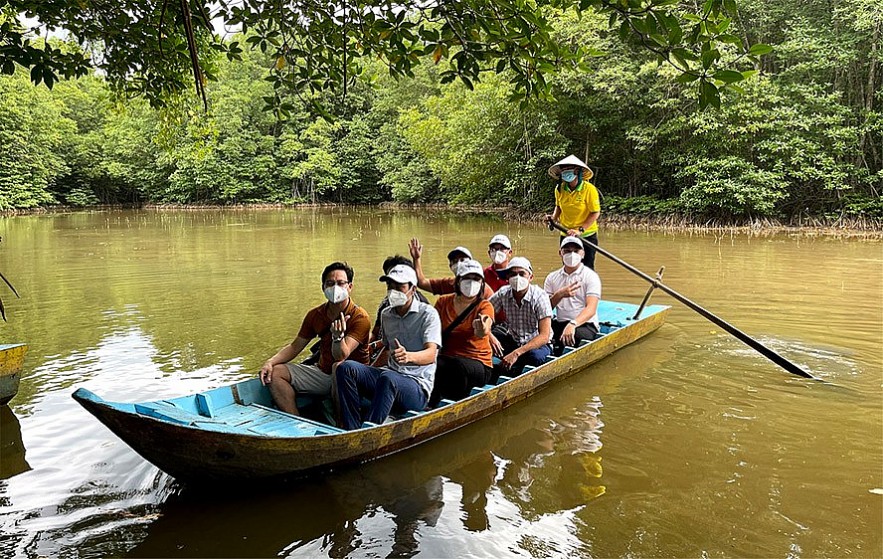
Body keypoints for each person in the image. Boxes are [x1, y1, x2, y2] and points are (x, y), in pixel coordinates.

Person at [336, 264, 442, 430]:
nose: (394, 291)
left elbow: (431, 354)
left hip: (416, 387)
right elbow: (386, 348)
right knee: (346, 368)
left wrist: (409, 356)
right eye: (390, 286)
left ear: (413, 289)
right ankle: (351, 427)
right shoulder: (387, 314)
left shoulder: (428, 314)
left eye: (399, 287)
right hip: (390, 375)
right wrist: (366, 372)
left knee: (388, 379)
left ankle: (369, 431)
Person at [259, 262, 371, 415]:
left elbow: (342, 356)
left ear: (349, 287)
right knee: (276, 372)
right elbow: (295, 347)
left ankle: (341, 426)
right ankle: (296, 420)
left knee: (338, 367)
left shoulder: (360, 317)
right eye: (330, 283)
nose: (335, 288)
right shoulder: (315, 315)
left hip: (353, 378)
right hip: (324, 373)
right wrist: (270, 362)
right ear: (323, 287)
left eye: (341, 283)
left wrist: (337, 338)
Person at [429, 259, 495, 407]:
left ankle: (453, 405)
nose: (471, 283)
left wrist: (482, 328)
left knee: (457, 366)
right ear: (458, 281)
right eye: (467, 278)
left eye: (476, 279)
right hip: (448, 357)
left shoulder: (484, 306)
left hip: (478, 363)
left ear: (482, 283)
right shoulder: (443, 303)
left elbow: (485, 326)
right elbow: (433, 331)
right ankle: (430, 403)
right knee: (433, 363)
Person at [488, 256, 553, 377]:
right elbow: (483, 312)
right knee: (484, 342)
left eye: (522, 274)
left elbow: (544, 336)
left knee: (535, 357)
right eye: (513, 274)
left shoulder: (539, 297)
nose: (517, 278)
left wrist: (516, 353)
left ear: (530, 277)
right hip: (513, 340)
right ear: (507, 277)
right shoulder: (504, 293)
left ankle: (512, 368)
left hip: (537, 344)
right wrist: (490, 336)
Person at [544, 236, 602, 355]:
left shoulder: (590, 276)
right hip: (561, 322)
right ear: (560, 253)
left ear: (583, 254)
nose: (572, 254)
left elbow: (591, 309)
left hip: (585, 324)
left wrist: (573, 324)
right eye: (567, 251)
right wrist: (559, 295)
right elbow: (545, 309)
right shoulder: (552, 277)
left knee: (574, 337)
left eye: (576, 251)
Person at [370, 255, 429, 364]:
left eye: (399, 284)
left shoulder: (424, 309)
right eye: (390, 283)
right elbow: (376, 333)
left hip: (404, 359)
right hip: (381, 351)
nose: (393, 290)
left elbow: (429, 350)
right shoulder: (385, 305)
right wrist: (368, 346)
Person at [546, 155, 601, 269]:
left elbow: (595, 212)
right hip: (566, 233)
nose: (566, 172)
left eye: (569, 169)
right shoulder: (559, 189)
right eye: (564, 170)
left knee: (587, 268)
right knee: (568, 266)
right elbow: (559, 206)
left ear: (577, 171)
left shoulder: (589, 189)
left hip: (587, 235)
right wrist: (553, 219)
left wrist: (580, 230)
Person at [409, 239, 494, 299]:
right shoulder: (448, 285)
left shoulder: (483, 289)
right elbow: (422, 283)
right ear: (450, 266)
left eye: (463, 260)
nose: (459, 263)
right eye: (455, 261)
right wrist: (416, 259)